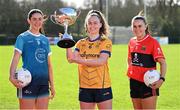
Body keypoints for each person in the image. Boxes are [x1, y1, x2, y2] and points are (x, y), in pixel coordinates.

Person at [66, 10, 113, 109]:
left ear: (101, 24)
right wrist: (67, 43)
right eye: (90, 23)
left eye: (95, 23)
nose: (92, 26)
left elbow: (101, 61)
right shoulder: (80, 43)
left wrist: (78, 60)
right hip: (85, 87)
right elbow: (70, 59)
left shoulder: (105, 42)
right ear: (86, 25)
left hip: (102, 87)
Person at [9, 9, 55, 109]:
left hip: (43, 84)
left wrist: (52, 85)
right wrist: (11, 77)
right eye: (34, 19)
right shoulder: (22, 37)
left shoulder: (45, 40)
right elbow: (15, 58)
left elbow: (49, 65)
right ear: (29, 20)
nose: (37, 22)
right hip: (26, 82)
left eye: (40, 19)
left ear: (42, 21)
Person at [127, 12, 167, 110]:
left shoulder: (153, 42)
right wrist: (129, 73)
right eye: (134, 26)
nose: (137, 29)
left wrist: (162, 79)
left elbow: (163, 62)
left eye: (140, 26)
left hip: (149, 83)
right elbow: (129, 59)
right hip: (134, 83)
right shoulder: (131, 41)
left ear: (146, 27)